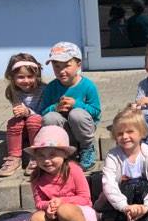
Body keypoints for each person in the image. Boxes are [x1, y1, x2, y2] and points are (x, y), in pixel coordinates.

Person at [23, 126, 98, 221]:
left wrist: (61, 202)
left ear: (64, 154)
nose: (47, 160)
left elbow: (85, 198)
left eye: (52, 155)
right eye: (41, 156)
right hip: (54, 218)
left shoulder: (73, 169)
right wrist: (48, 206)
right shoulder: (36, 176)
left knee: (65, 210)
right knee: (36, 220)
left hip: (78, 214)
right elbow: (39, 202)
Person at [39, 42, 101, 171]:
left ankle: (87, 148)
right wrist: (55, 108)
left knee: (76, 114)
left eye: (67, 65)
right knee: (50, 117)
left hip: (83, 128)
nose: (61, 71)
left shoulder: (88, 86)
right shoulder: (51, 87)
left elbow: (96, 111)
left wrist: (76, 104)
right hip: (63, 127)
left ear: (78, 65)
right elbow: (42, 112)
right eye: (56, 66)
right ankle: (62, 149)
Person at [0, 53, 45, 177]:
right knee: (14, 122)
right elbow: (18, 108)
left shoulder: (44, 89)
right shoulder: (12, 90)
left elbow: (45, 111)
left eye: (30, 76)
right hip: (26, 125)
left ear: (36, 75)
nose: (26, 81)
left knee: (33, 120)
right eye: (20, 77)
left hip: (40, 125)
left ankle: (36, 156)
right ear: (12, 77)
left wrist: (28, 112)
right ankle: (14, 157)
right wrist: (19, 112)